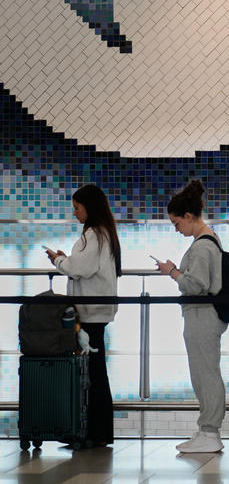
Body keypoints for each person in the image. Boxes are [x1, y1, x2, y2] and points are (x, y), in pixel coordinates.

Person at [45, 184, 121, 447]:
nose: (74, 212)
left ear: (89, 207)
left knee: (94, 375)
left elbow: (79, 269)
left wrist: (58, 261)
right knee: (96, 373)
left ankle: (95, 433)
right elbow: (84, 265)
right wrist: (68, 259)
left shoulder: (94, 235)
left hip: (91, 313)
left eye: (77, 208)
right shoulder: (104, 234)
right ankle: (97, 433)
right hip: (99, 311)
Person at [155, 179, 226, 454]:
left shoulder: (202, 246)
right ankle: (208, 430)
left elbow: (196, 284)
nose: (176, 229)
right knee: (205, 372)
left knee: (205, 374)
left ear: (188, 216)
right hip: (204, 316)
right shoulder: (208, 241)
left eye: (176, 223)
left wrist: (172, 272)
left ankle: (209, 432)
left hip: (202, 315)